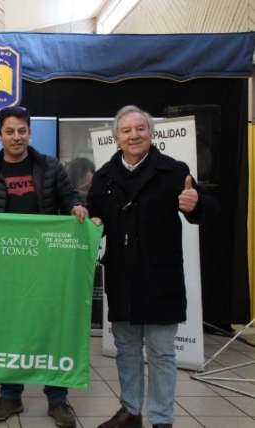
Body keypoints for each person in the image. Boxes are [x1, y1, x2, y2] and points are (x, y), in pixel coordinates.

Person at [0, 106, 88, 428]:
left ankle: (57, 399)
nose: (16, 137)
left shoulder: (50, 167)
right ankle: (10, 396)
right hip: (3, 267)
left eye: (21, 131)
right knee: (8, 329)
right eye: (9, 131)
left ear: (30, 133)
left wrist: (76, 207)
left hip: (46, 265)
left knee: (51, 328)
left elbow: (69, 197)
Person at [87, 105, 210, 428]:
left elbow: (207, 208)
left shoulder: (173, 171)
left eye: (140, 129)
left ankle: (161, 419)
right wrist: (92, 221)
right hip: (122, 277)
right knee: (126, 349)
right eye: (126, 130)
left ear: (151, 134)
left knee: (161, 353)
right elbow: (93, 216)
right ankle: (130, 411)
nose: (134, 135)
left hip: (160, 278)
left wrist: (196, 204)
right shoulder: (103, 177)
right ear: (116, 138)